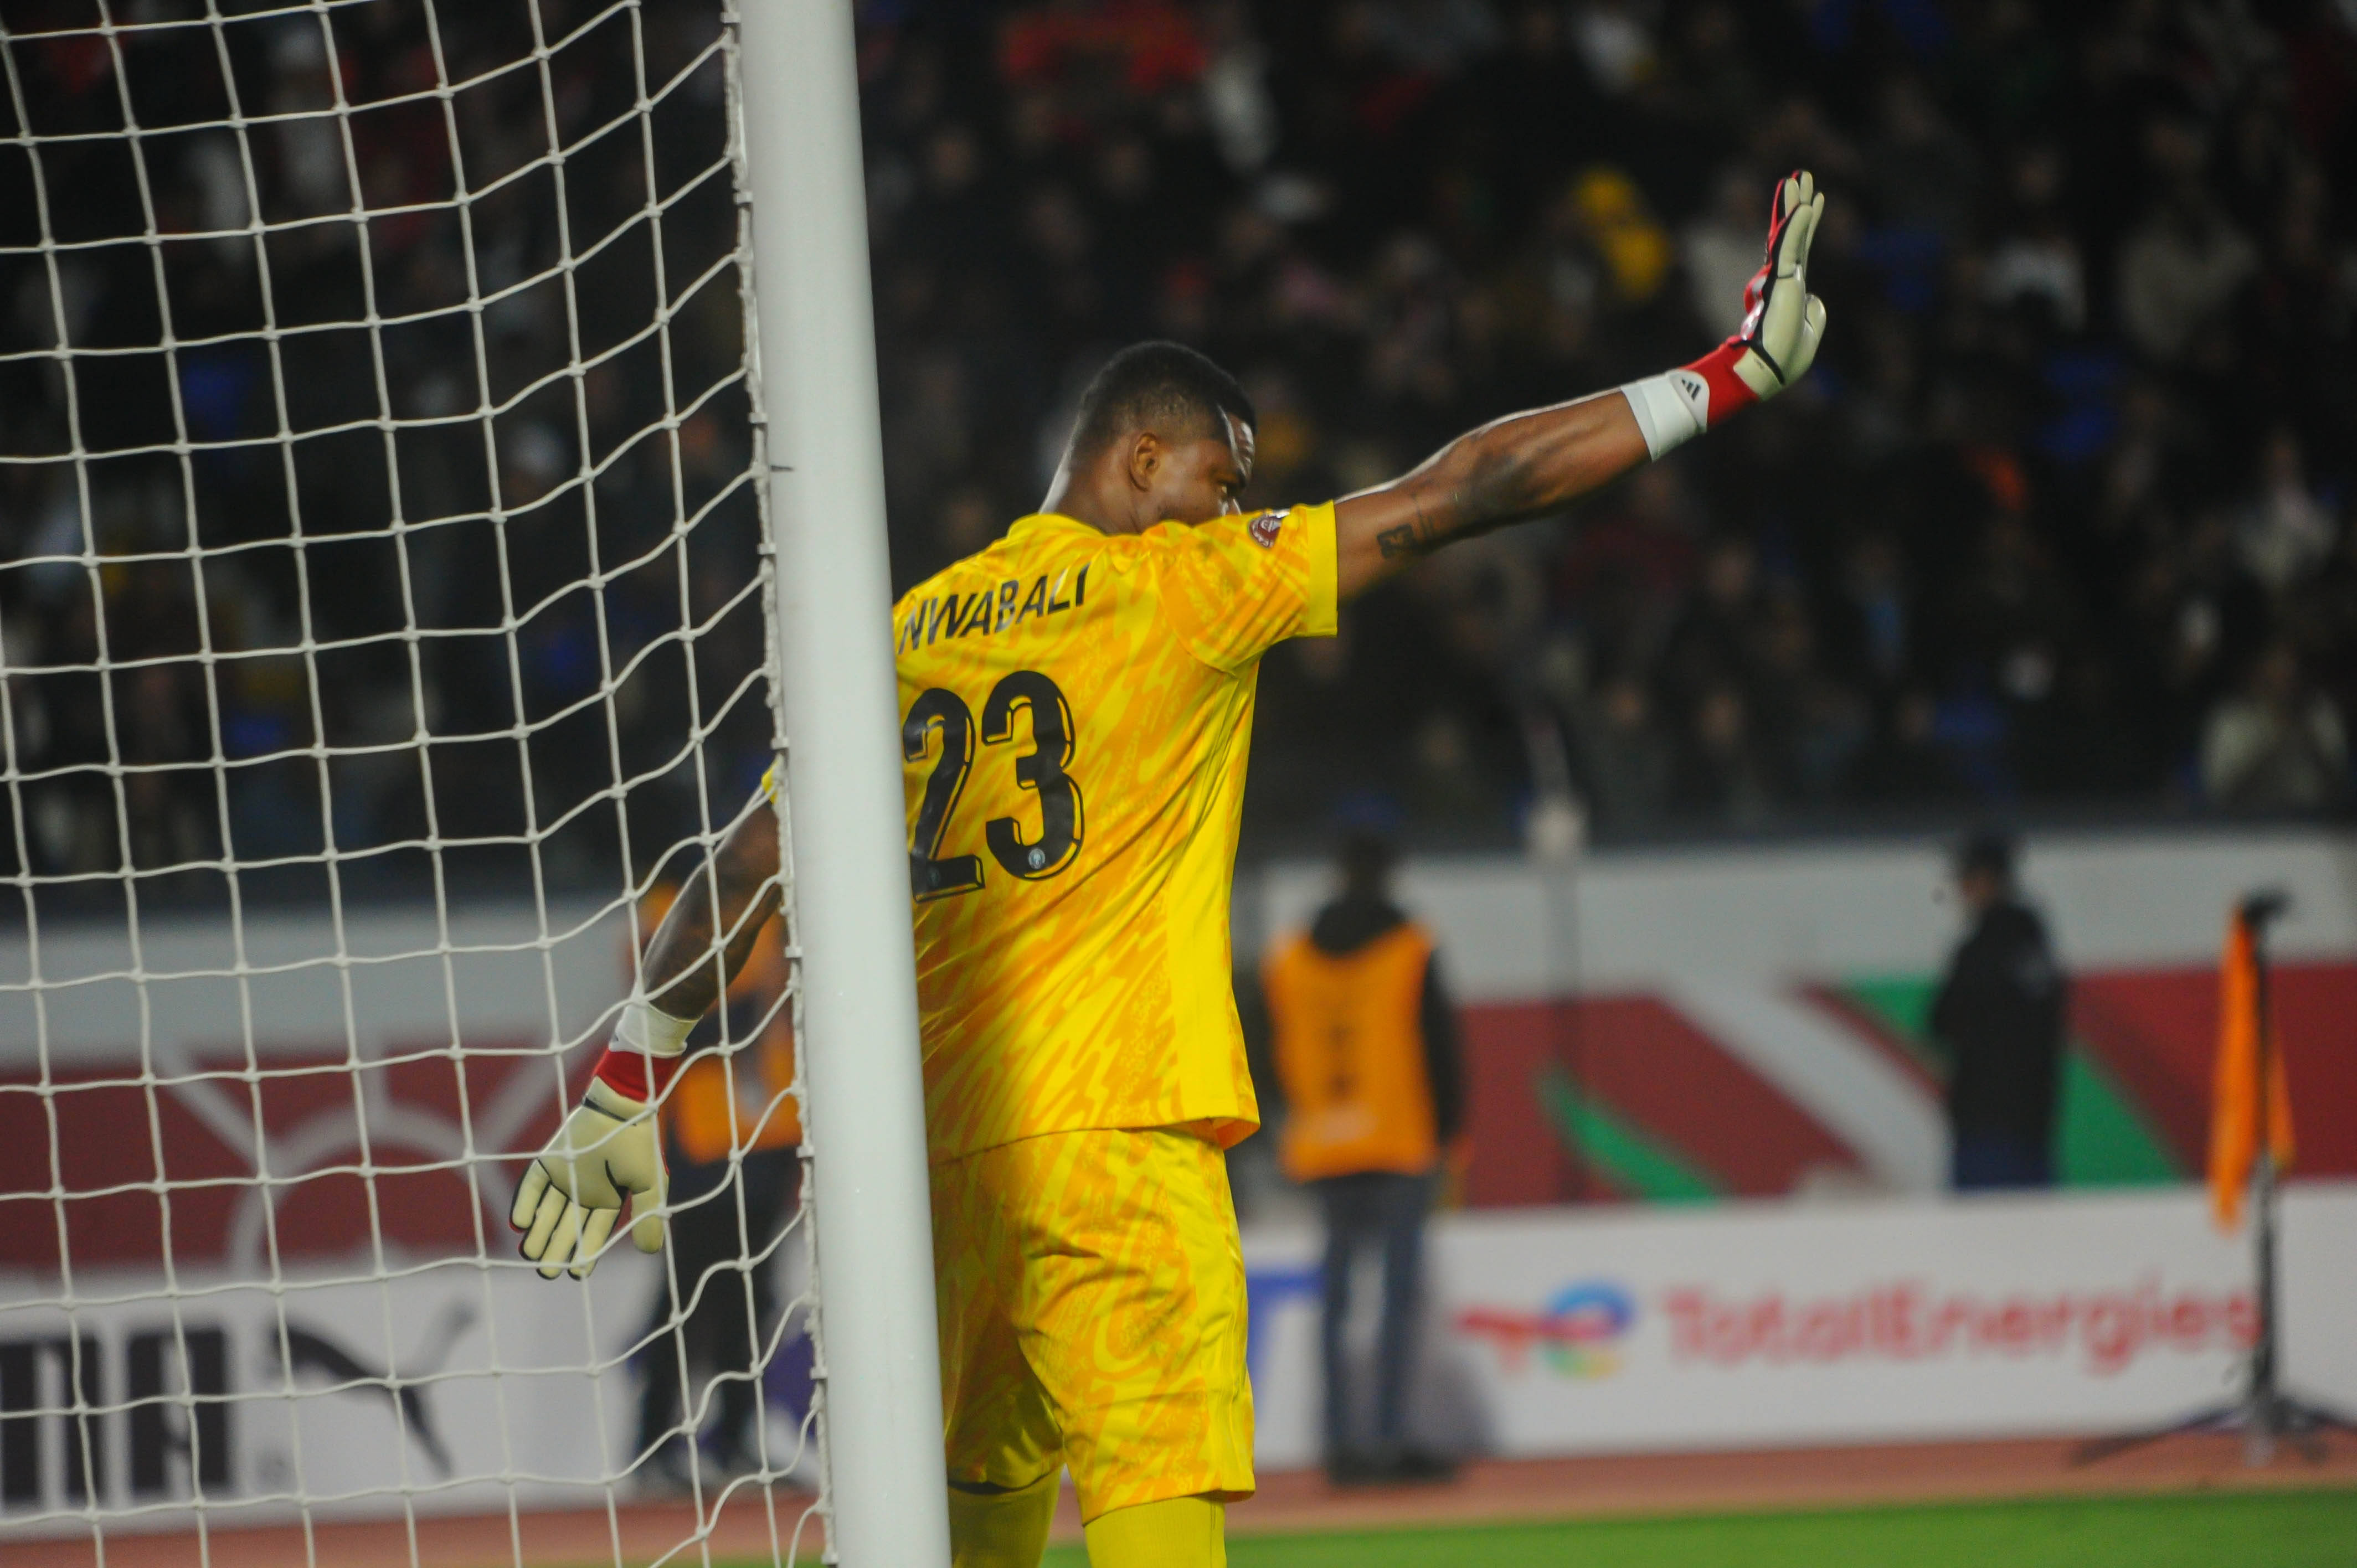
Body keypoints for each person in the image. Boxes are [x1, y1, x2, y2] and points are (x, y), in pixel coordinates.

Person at [509, 173, 1827, 1568]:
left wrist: (624, 1083)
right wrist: (1725, 377)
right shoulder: (1186, 588)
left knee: (966, 1526)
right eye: (1222, 480)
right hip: (1122, 1141)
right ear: (1142, 457)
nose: (1233, 509)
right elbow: (1466, 488)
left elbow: (746, 865)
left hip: (939, 1166)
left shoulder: (901, 634)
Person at [1263, 831, 1463, 1486]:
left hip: (1324, 1142)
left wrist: (1288, 1121)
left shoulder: (1291, 955)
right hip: (1398, 1139)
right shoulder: (1410, 946)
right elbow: (1439, 1047)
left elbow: (1268, 1047)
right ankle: (1389, 1436)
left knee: (1336, 1298)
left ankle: (1337, 1443)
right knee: (1397, 1297)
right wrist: (1450, 1134)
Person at [626, 881, 804, 1492]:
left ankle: (734, 1440)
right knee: (685, 1296)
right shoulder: (666, 909)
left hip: (768, 1129)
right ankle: (651, 1445)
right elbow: (664, 1018)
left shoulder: (773, 905)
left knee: (751, 1294)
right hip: (701, 1136)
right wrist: (753, 1011)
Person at [1930, 829, 2067, 1191]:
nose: (1961, 891)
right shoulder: (2034, 942)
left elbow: (1940, 1022)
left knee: (1982, 1221)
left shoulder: (1980, 951)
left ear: (1986, 880)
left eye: (1966, 879)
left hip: (1985, 1125)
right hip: (2033, 1122)